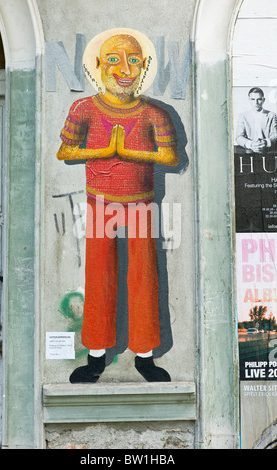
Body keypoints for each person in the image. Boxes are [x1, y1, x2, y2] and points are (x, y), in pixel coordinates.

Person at [57, 31, 179, 383]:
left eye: (133, 60)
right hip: (100, 204)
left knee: (144, 278)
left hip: (141, 205)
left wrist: (129, 153)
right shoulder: (83, 109)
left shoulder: (154, 114)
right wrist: (104, 151)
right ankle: (97, 356)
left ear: (144, 66)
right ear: (98, 65)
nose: (124, 68)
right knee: (100, 278)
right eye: (113, 59)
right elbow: (65, 151)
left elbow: (169, 155)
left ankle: (144, 356)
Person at [236, 87, 277, 153]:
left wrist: (265, 142)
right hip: (249, 152)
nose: (256, 102)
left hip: (267, 152)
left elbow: (275, 136)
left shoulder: (272, 115)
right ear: (249, 100)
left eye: (259, 99)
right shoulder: (243, 116)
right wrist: (251, 144)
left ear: (263, 100)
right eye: (253, 99)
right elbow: (239, 137)